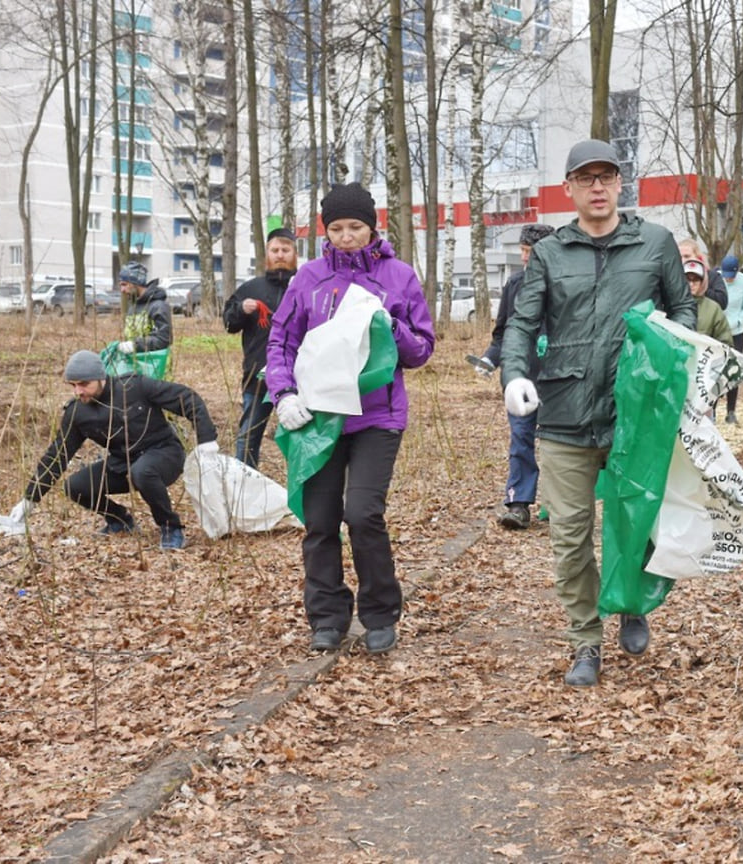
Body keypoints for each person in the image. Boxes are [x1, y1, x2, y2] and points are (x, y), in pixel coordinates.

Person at [500, 138, 696, 687]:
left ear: (620, 184)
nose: (598, 187)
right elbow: (522, 323)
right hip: (564, 411)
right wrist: (515, 373)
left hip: (637, 410)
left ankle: (632, 603)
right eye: (586, 178)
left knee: (634, 519)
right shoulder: (549, 254)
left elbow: (683, 308)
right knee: (569, 533)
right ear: (569, 189)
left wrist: (671, 354)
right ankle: (585, 640)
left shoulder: (655, 244)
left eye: (607, 176)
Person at [266, 182, 435, 655]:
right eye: (336, 228)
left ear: (372, 226)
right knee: (320, 520)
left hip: (377, 417)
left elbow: (422, 348)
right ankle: (326, 616)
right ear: (325, 231)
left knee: (362, 514)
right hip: (319, 416)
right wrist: (283, 394)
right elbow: (281, 341)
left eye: (355, 227)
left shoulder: (397, 277)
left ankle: (380, 612)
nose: (346, 236)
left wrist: (390, 325)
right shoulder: (308, 279)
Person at [0, 349, 218, 550]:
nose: (78, 391)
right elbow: (58, 455)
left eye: (84, 384)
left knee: (142, 471)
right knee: (75, 486)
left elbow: (188, 399)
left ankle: (171, 527)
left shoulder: (135, 387)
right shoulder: (78, 413)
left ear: (101, 377)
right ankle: (120, 520)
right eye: (72, 385)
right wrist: (30, 499)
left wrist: (207, 440)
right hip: (122, 463)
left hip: (164, 454)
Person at [476, 222, 556, 530]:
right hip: (520, 379)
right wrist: (489, 359)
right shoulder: (514, 285)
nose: (524, 258)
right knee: (521, 438)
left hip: (560, 380)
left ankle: (557, 502)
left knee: (556, 444)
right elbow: (502, 335)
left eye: (530, 252)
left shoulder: (568, 285)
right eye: (522, 251)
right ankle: (519, 504)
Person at [222, 227, 299, 468]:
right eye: (275, 250)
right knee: (247, 439)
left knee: (300, 440)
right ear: (267, 254)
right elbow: (228, 324)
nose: (280, 255)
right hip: (257, 378)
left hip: (299, 379)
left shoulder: (304, 286)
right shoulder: (251, 289)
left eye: (285, 250)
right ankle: (244, 487)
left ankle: (305, 495)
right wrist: (239, 310)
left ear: (294, 253)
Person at [719, 254, 743, 424]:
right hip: (718, 330)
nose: (728, 279)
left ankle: (731, 411)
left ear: (737, 271)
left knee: (732, 371)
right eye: (725, 275)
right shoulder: (716, 279)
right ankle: (710, 411)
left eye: (731, 276)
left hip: (736, 332)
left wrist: (740, 319)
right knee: (714, 370)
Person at [116, 261, 172, 358]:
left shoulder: (158, 307)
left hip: (156, 367)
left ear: (135, 283)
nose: (122, 290)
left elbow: (164, 339)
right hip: (135, 365)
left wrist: (135, 345)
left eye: (124, 284)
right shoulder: (132, 308)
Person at [684, 258, 732, 345]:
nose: (691, 284)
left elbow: (725, 341)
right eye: (687, 279)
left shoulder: (713, 309)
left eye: (696, 280)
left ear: (703, 282)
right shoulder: (671, 304)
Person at [676, 238, 728, 310]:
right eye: (679, 257)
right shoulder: (673, 277)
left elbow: (722, 302)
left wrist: (702, 286)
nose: (683, 260)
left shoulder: (712, 276)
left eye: (687, 256)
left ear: (698, 257)